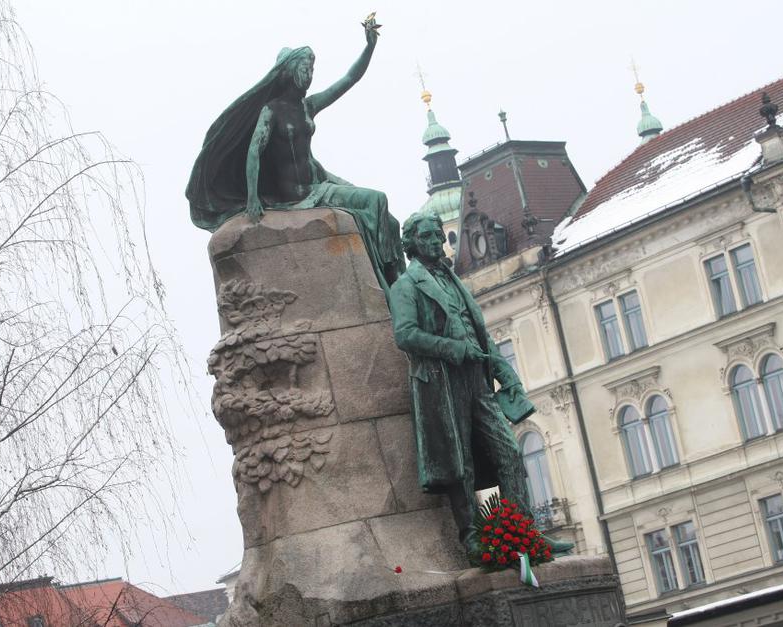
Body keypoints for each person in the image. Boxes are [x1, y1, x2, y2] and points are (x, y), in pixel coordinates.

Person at [389, 212, 574, 556]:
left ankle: (523, 531)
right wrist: (454, 349)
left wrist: (507, 375)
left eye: (438, 237)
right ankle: (472, 536)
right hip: (442, 382)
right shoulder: (406, 286)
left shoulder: (454, 280)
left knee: (510, 451)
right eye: (427, 237)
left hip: (477, 379)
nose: (436, 243)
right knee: (461, 462)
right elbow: (405, 335)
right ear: (411, 244)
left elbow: (480, 333)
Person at [185, 17, 405, 292]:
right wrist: (253, 197)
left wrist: (369, 47)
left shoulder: (307, 106)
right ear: (289, 72)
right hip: (297, 195)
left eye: (312, 68)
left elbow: (349, 79)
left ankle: (396, 279)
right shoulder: (272, 111)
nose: (310, 75)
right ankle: (390, 283)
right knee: (375, 202)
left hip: (319, 184)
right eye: (305, 68)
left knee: (383, 210)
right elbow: (254, 151)